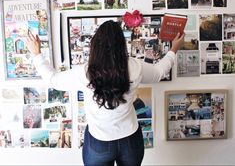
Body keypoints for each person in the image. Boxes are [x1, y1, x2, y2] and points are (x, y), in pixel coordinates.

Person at [26, 20, 184, 166]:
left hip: (99, 142)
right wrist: (173, 49)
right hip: (129, 140)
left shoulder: (85, 72)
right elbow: (158, 73)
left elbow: (53, 79)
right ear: (121, 44)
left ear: (96, 44)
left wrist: (37, 54)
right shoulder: (135, 66)